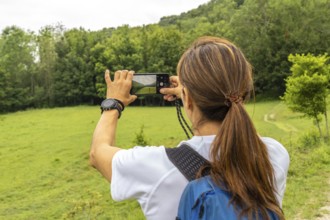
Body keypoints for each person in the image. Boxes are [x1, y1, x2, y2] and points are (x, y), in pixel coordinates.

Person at [89, 36, 290, 220]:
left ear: (189, 99)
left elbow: (97, 153)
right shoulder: (274, 156)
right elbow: (242, 125)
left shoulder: (157, 168)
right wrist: (190, 94)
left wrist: (113, 103)